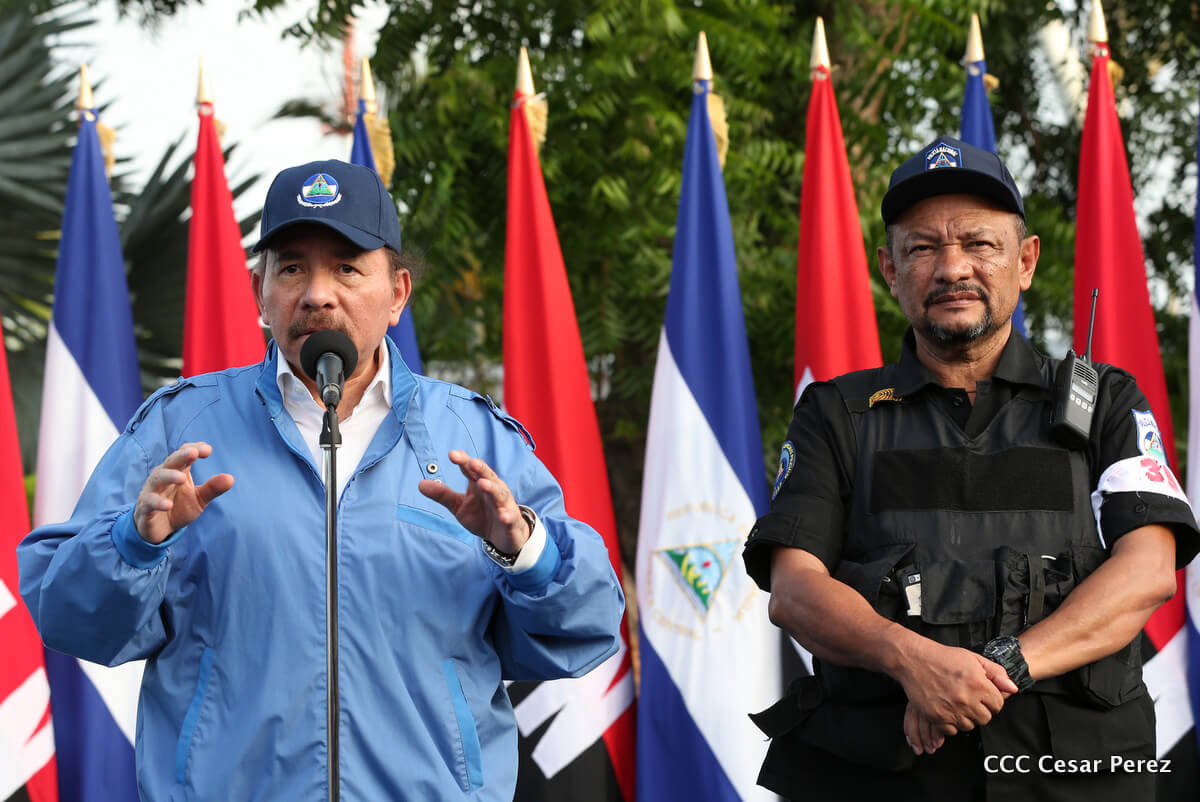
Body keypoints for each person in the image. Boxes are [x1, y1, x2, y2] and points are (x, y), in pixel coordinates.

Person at [18, 159, 625, 800]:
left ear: (397, 294)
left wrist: (525, 552)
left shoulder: (474, 438)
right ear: (260, 292)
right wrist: (135, 545)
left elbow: (586, 626)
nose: (316, 294)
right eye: (291, 269)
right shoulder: (180, 429)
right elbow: (66, 615)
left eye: (346, 268)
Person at [742, 136, 1200, 802]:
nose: (952, 267)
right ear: (889, 269)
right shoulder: (836, 414)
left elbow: (1148, 571)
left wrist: (995, 669)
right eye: (922, 248)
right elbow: (795, 590)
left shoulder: (1105, 401)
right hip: (879, 775)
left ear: (1026, 260)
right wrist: (914, 661)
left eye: (980, 244)